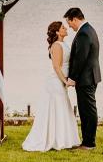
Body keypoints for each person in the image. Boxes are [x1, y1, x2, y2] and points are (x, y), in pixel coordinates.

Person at [22, 20, 81, 152]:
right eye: (63, 27)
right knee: (57, 108)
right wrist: (65, 81)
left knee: (62, 108)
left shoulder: (63, 44)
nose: (66, 28)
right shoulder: (57, 46)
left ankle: (62, 138)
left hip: (60, 81)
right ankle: (55, 140)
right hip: (55, 82)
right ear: (57, 32)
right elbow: (56, 67)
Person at [64, 7, 101, 150]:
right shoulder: (88, 29)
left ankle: (89, 143)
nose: (69, 27)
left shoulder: (84, 33)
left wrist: (72, 78)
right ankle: (87, 141)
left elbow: (81, 58)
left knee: (88, 111)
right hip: (90, 76)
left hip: (86, 78)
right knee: (86, 110)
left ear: (75, 19)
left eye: (69, 23)